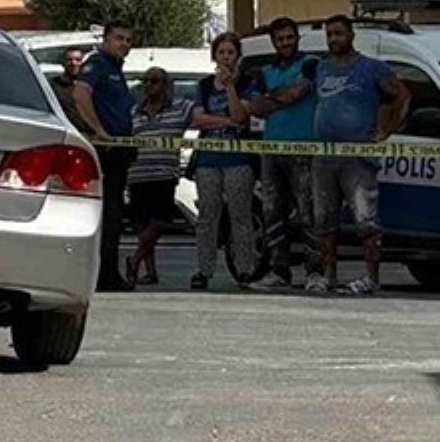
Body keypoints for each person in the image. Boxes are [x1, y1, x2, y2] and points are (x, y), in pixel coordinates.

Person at [310, 14, 410, 296]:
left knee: (366, 219)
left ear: (351, 35)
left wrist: (385, 129)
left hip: (357, 156)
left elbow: (402, 94)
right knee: (324, 220)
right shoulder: (322, 68)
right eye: (329, 34)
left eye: (338, 33)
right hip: (323, 155)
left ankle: (371, 278)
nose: (333, 39)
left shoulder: (371, 68)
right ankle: (328, 276)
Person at [246, 17, 320, 290]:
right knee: (271, 211)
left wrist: (272, 97)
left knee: (308, 212)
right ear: (273, 42)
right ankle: (279, 270)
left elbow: (298, 93)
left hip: (304, 148)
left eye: (289, 37)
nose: (286, 42)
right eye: (280, 39)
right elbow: (254, 106)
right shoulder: (265, 70)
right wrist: (281, 96)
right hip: (271, 148)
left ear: (297, 37)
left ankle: (315, 272)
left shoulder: (311, 64)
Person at [189, 33, 260, 290]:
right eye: (222, 52)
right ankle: (204, 269)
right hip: (208, 158)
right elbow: (198, 118)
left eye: (231, 52)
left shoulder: (247, 83)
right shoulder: (205, 85)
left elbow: (241, 115)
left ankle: (244, 268)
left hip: (238, 158)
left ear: (237, 56)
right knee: (208, 215)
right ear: (214, 56)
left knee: (240, 215)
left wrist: (230, 86)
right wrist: (225, 121)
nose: (226, 57)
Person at [71, 21, 135, 292]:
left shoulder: (116, 70)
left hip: (118, 152)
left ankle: (107, 271)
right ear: (106, 39)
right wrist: (99, 130)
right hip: (103, 151)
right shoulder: (97, 65)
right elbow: (81, 94)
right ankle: (104, 274)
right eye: (119, 38)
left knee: (114, 214)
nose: (124, 44)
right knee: (106, 214)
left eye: (128, 40)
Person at [125, 68, 192, 286]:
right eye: (145, 81)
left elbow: (200, 116)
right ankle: (149, 271)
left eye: (154, 81)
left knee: (160, 221)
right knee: (142, 225)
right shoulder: (133, 112)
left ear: (165, 84)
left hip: (164, 174)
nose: (148, 85)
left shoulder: (180, 108)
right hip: (138, 174)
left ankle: (134, 259)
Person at [48, 47, 88, 132]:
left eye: (78, 60)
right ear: (63, 63)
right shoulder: (53, 86)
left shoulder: (89, 86)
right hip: (63, 132)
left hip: (88, 134)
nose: (73, 63)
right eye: (69, 60)